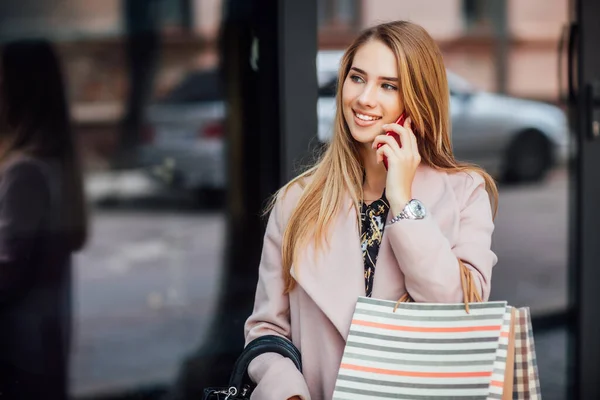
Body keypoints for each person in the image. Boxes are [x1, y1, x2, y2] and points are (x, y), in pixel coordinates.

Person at [244, 20, 498, 400]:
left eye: (388, 86)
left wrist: (403, 200)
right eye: (357, 78)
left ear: (418, 99)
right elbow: (267, 330)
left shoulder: (465, 192)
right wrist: (287, 392)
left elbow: (456, 313)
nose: (364, 98)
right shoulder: (296, 200)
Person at [0, 39, 88, 399]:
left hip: (16, 351)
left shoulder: (24, 171)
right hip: (43, 344)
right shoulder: (54, 163)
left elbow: (6, 272)